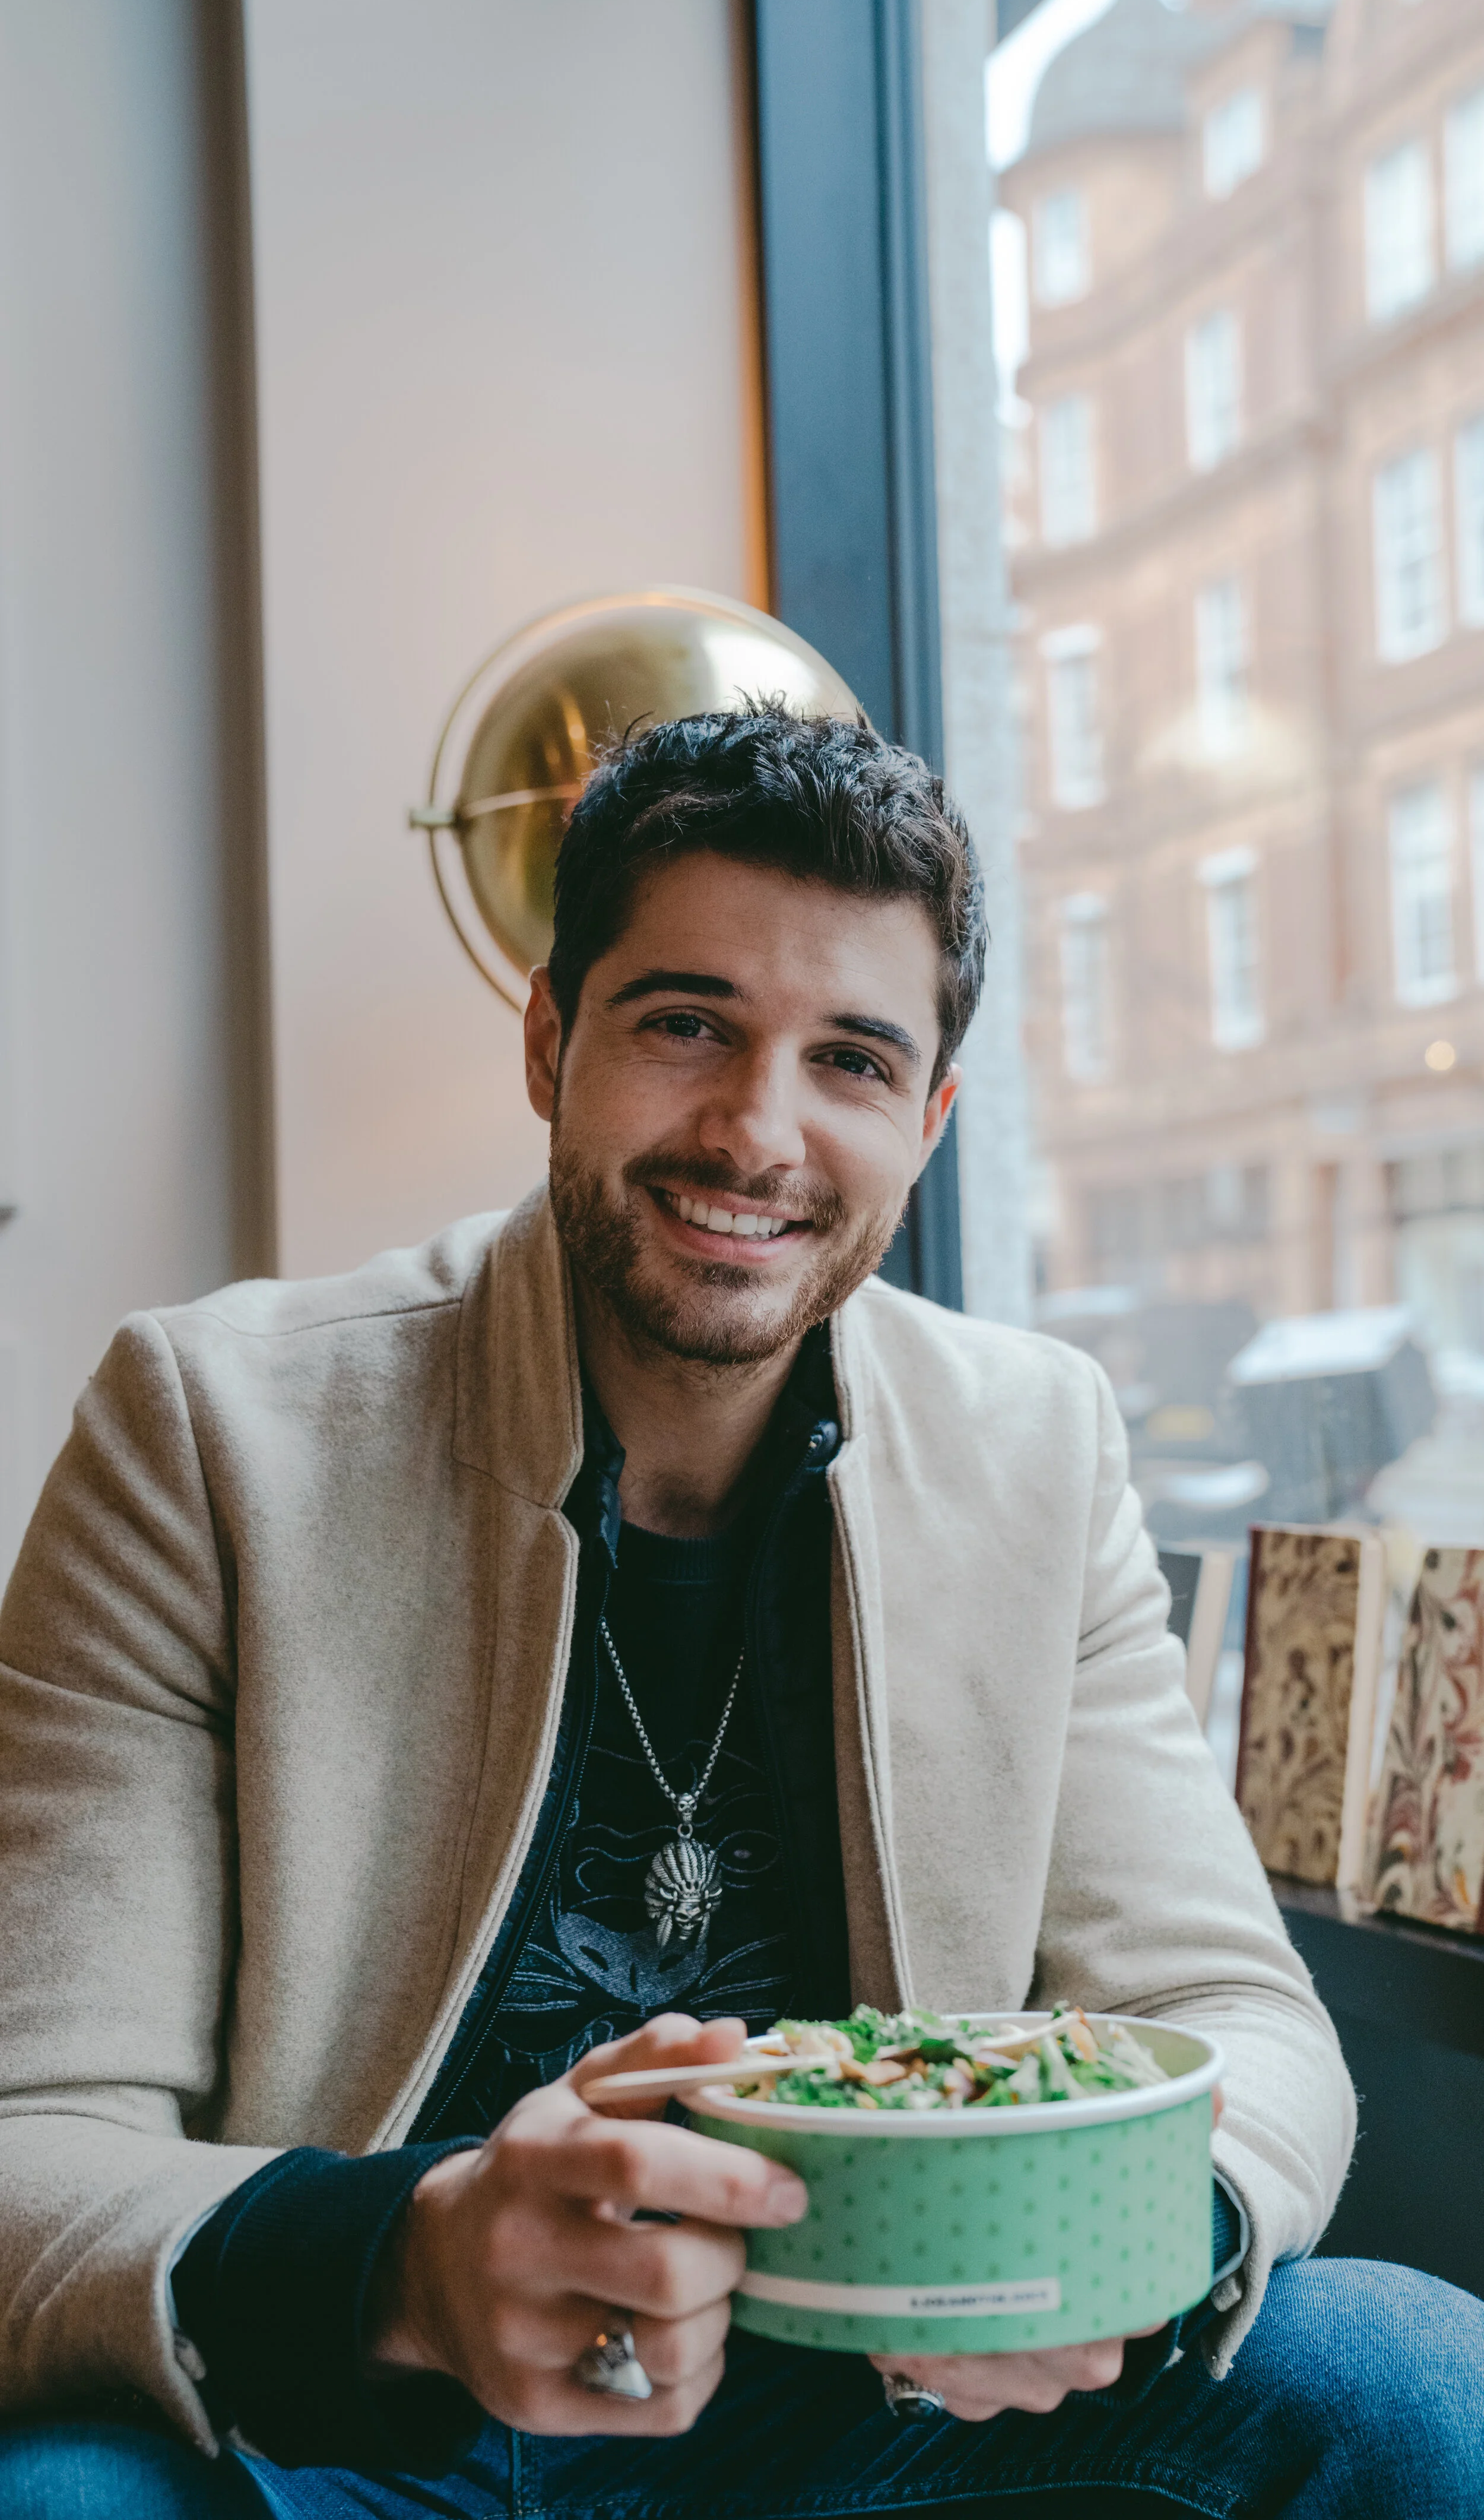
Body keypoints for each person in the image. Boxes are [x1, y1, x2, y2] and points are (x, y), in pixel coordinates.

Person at [0, 707, 1479, 2520]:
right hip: (365, 2419)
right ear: (549, 1038)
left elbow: (1226, 2013)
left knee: (1418, 2380)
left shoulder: (1035, 1440)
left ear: (927, 1122)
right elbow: (34, 2149)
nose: (755, 1133)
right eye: (684, 1022)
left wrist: (1112, 2253)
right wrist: (418, 2256)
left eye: (850, 1060)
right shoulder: (205, 1429)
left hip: (872, 2406)